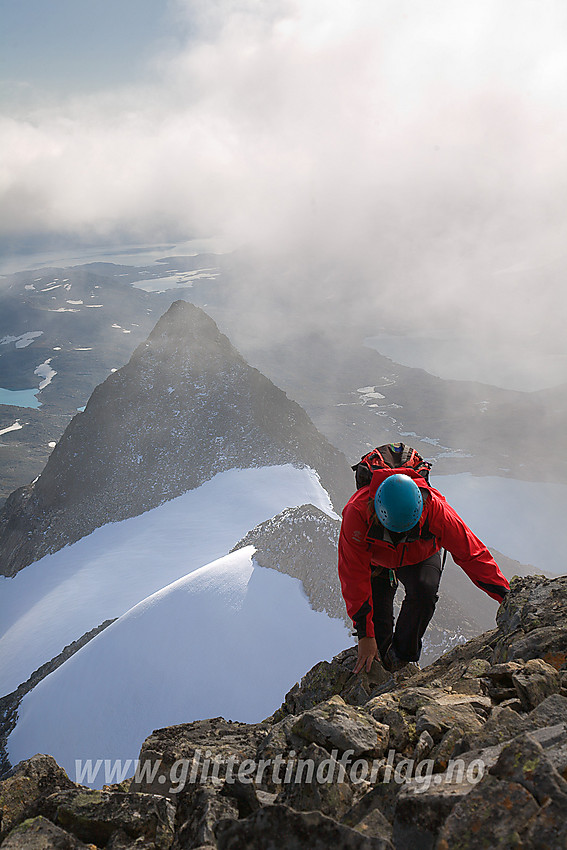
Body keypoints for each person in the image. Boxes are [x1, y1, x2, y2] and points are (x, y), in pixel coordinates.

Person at [338, 457, 510, 675]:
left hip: (418, 555)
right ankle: (384, 660)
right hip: (378, 562)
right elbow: (353, 575)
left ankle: (401, 658)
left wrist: (506, 596)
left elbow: (472, 554)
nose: (398, 536)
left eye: (404, 532)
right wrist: (365, 635)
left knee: (424, 592)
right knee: (377, 640)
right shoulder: (357, 513)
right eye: (393, 531)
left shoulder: (437, 510)